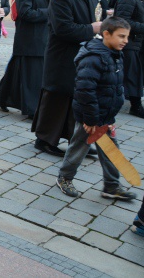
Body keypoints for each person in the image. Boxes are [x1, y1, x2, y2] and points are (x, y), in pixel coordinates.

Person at [56, 17, 136, 201]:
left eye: (127, 37)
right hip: (90, 117)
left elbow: (114, 86)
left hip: (104, 115)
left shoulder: (114, 53)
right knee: (79, 147)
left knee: (110, 150)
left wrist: (109, 117)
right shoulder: (94, 57)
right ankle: (65, 177)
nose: (125, 41)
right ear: (106, 34)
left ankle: (111, 185)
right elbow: (85, 90)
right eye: (121, 36)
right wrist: (91, 120)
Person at [32, 0, 100, 156]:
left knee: (75, 99)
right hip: (62, 56)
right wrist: (92, 28)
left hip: (81, 55)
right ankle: (44, 140)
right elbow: (63, 29)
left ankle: (76, 140)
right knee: (57, 97)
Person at [0, 0, 49, 117]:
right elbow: (25, 13)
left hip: (41, 38)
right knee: (33, 76)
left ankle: (2, 97)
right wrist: (49, 12)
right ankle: (32, 109)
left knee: (15, 71)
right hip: (29, 40)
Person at [109, 0, 144, 118]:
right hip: (127, 41)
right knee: (133, 74)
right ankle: (136, 107)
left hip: (133, 41)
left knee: (132, 74)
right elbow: (123, 22)